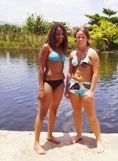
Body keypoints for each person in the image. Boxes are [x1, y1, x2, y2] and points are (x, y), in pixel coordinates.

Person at [65, 28, 104, 153]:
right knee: (76, 112)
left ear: (87, 39)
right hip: (74, 86)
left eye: (83, 37)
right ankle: (78, 134)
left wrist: (92, 91)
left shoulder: (92, 53)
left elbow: (96, 73)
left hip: (86, 87)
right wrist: (67, 88)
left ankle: (98, 140)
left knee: (91, 115)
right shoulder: (72, 54)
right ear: (75, 38)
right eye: (78, 37)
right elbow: (70, 72)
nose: (80, 39)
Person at [34, 23, 68, 155]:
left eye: (62, 33)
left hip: (60, 83)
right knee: (42, 113)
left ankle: (49, 135)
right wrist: (41, 89)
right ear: (53, 34)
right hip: (47, 83)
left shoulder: (62, 48)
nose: (60, 36)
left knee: (54, 110)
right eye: (57, 33)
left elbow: (60, 64)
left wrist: (61, 74)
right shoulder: (46, 48)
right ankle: (36, 142)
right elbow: (41, 69)